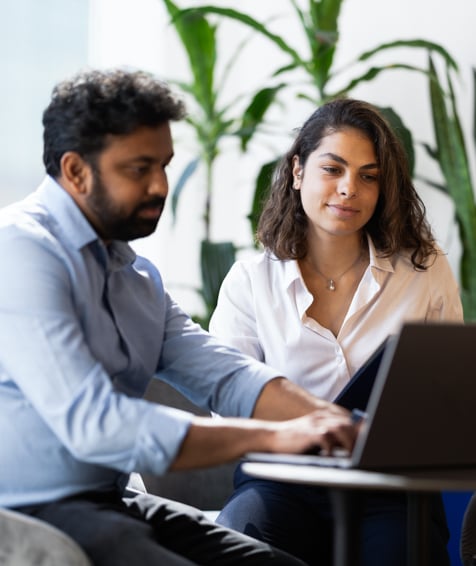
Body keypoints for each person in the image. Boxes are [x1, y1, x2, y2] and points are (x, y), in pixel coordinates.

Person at [0, 69, 359, 566]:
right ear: (76, 171)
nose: (160, 186)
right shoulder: (21, 251)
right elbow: (96, 424)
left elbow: (227, 375)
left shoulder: (135, 275)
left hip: (110, 501)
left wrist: (336, 423)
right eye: (139, 169)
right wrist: (277, 436)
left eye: (165, 166)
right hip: (26, 511)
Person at [209, 98, 464, 566]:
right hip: (280, 480)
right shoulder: (250, 281)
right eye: (333, 169)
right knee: (237, 550)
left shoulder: (424, 271)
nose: (349, 189)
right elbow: (226, 407)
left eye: (369, 176)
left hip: (390, 489)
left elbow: (450, 399)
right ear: (297, 171)